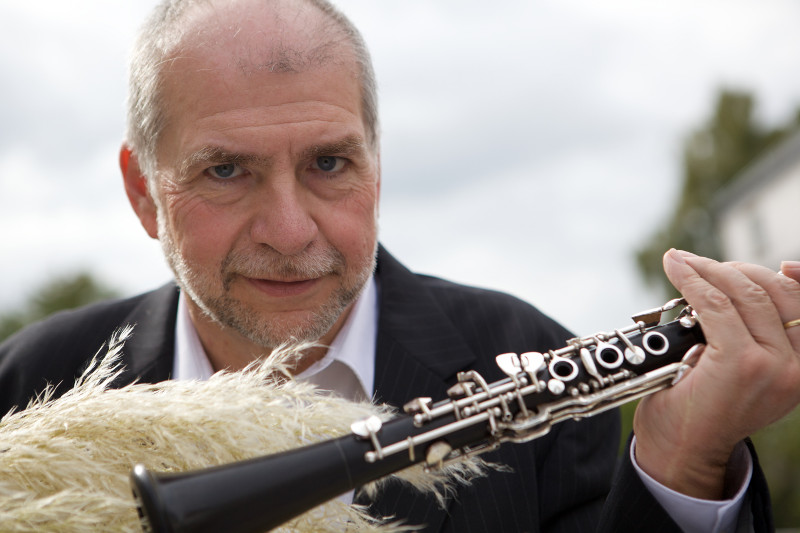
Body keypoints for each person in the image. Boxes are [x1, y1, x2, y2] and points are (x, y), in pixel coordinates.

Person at [1, 0, 799, 531]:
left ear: (376, 167)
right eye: (226, 171)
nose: (288, 228)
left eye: (328, 162)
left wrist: (684, 464)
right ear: (144, 194)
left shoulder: (528, 355)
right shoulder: (28, 390)